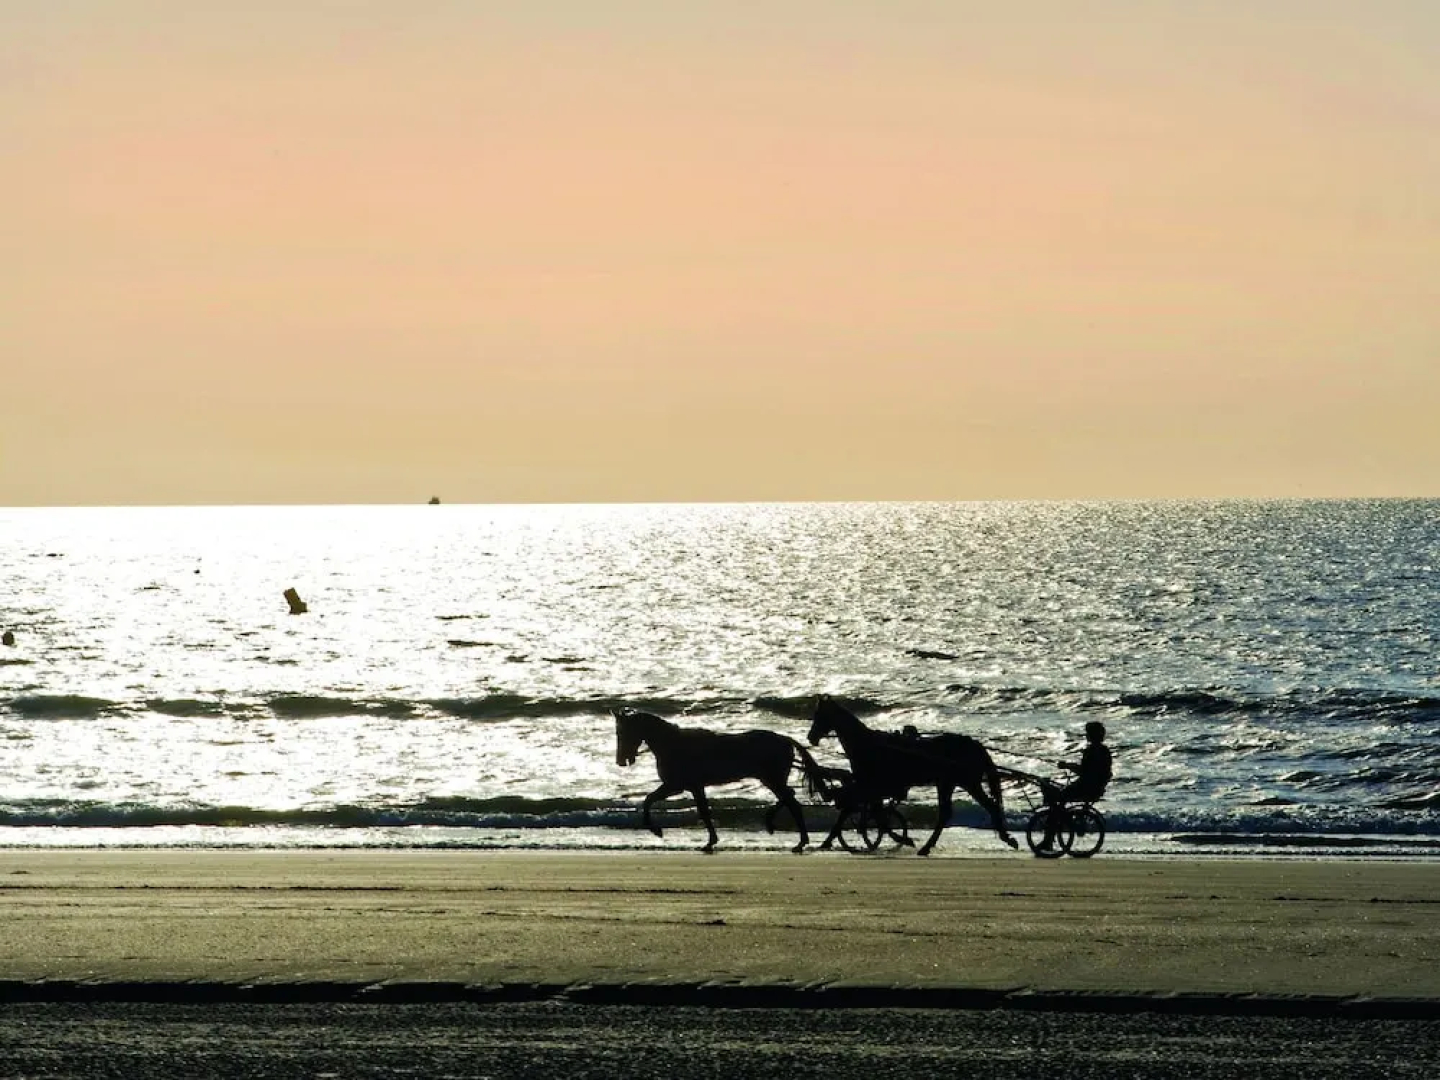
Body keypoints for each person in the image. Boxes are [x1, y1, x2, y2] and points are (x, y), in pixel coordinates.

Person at [1037, 721, 1111, 853]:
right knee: (1056, 795)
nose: (1086, 735)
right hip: (1094, 788)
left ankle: (1049, 839)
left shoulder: (1091, 751)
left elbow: (1083, 771)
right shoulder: (1105, 751)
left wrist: (1066, 766)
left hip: (1085, 787)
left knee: (1054, 797)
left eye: (1088, 733)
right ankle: (1060, 825)